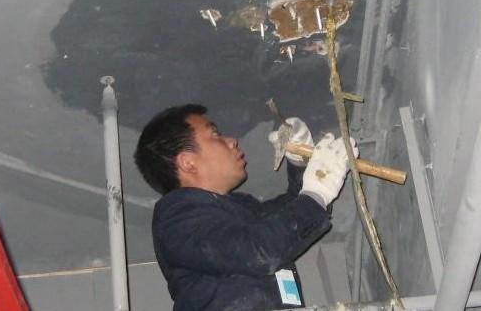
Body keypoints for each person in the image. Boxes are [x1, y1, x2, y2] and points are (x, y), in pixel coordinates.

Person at [134, 104, 357, 311]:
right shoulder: (177, 218)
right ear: (187, 162)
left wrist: (301, 161)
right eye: (215, 134)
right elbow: (259, 250)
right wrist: (317, 191)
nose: (232, 141)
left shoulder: (241, 208)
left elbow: (289, 216)